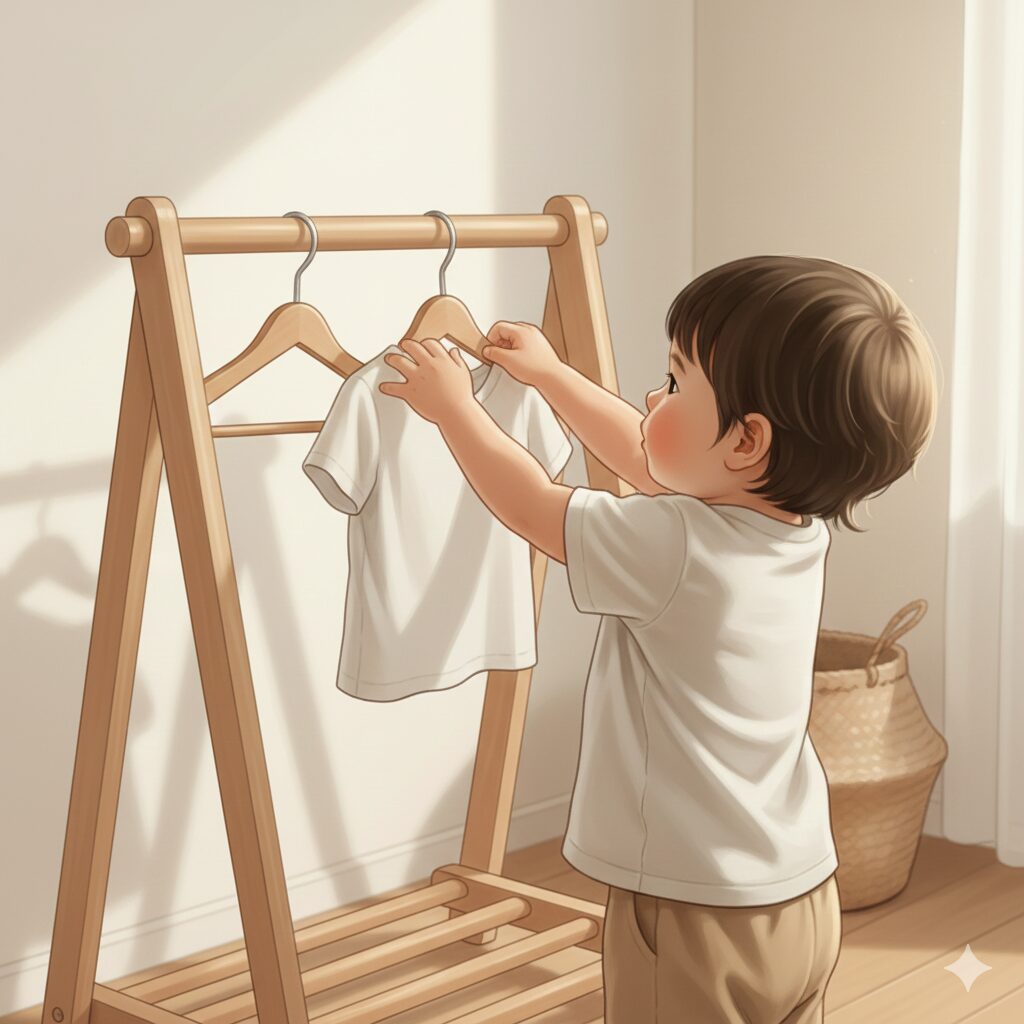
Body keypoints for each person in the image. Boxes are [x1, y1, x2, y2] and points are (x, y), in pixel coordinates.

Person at [377, 254, 940, 1023]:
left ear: (745, 443)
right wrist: (549, 377)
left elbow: (534, 504)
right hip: (798, 893)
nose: (651, 396)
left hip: (690, 906)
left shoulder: (674, 544)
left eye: (675, 384)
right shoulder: (790, 528)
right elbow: (654, 459)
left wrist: (454, 411)